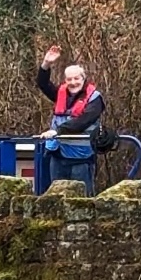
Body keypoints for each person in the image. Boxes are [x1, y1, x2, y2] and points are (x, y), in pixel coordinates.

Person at [37, 44, 104, 188]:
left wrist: (57, 131)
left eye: (76, 78)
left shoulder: (95, 98)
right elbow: (42, 83)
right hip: (58, 155)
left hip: (81, 158)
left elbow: (82, 121)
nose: (73, 82)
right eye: (69, 79)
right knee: (56, 198)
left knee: (81, 201)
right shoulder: (61, 94)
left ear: (83, 78)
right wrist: (46, 64)